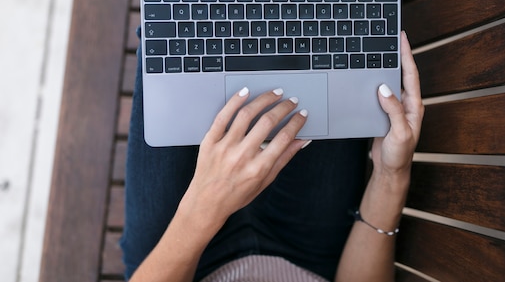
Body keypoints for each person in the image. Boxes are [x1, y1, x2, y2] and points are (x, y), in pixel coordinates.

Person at [120, 31, 424, 282]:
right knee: (319, 34)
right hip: (309, 258)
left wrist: (205, 204)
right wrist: (390, 175)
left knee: (171, 37)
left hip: (178, 256)